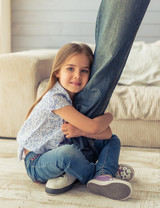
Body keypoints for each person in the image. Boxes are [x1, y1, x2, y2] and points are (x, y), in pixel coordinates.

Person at [65, 0, 160, 198]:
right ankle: (78, 155)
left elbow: (106, 129)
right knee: (108, 52)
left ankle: (95, 168)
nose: (77, 75)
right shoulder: (55, 100)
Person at [17, 43, 133, 201]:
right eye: (70, 68)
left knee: (113, 141)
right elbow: (93, 127)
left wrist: (80, 132)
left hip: (63, 150)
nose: (77, 75)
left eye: (84, 70)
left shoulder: (80, 99)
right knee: (68, 154)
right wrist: (109, 117)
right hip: (38, 162)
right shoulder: (55, 98)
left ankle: (104, 174)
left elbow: (107, 134)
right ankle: (102, 172)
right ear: (57, 71)